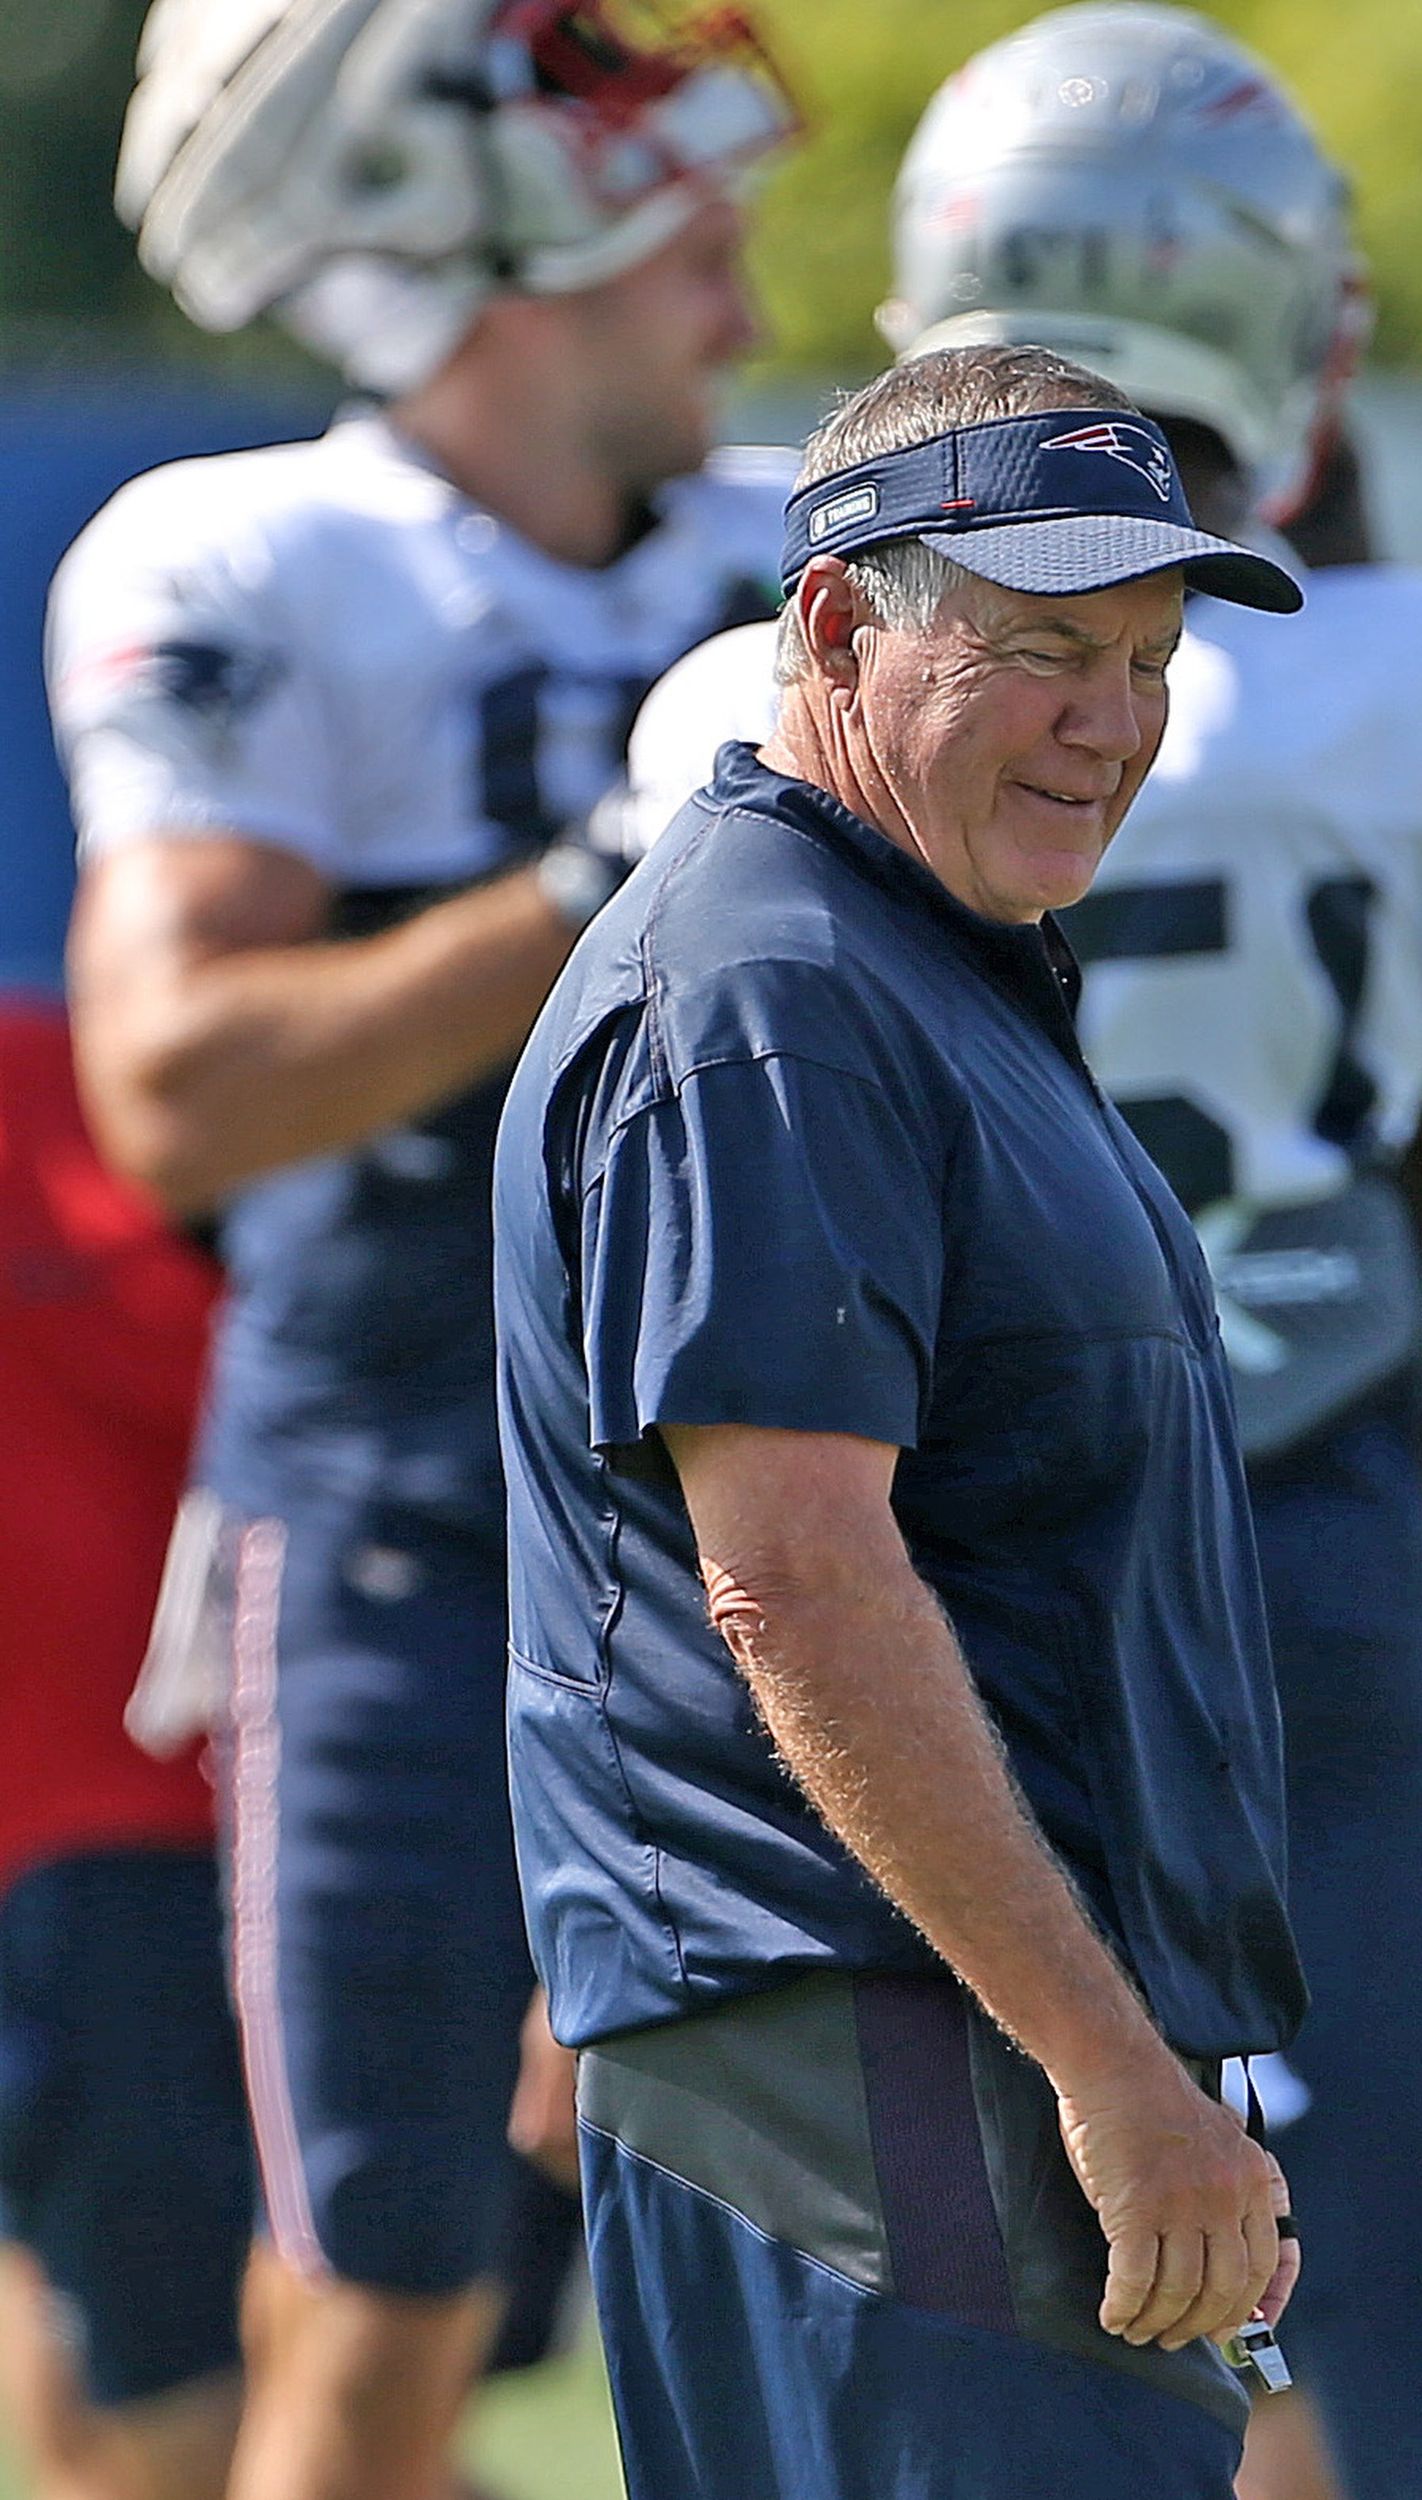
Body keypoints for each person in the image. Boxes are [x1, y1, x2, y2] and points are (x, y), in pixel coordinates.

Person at [617, 15, 1422, 2489]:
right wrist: (1395, 1479)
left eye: (1134, 671)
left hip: (910, 1549)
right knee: (1353, 2315)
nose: (1109, 714)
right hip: (1291, 1509)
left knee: (1001, 2325)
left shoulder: (728, 704)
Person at [47, 5, 795, 2494]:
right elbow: (178, 1090)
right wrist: (606, 881)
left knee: (890, 2229)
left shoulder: (804, 548)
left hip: (795, 1490)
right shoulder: (264, 559)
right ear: (465, 200)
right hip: (405, 1490)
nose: (730, 267)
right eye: (601, 110)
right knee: (386, 2284)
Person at [492, 342, 1306, 2499]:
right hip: (889, 2056)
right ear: (841, 626)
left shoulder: (901, 955)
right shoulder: (774, 991)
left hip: (949, 2039)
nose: (1110, 722)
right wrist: (1109, 2062)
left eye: (1144, 658)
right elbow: (796, 1579)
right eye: (1042, 649)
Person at [0, 989, 241, 2500]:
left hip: (146, 1835)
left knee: (190, 2424)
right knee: (103, 2429)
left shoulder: (73, 1078)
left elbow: (243, 1387)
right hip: (56, 1855)